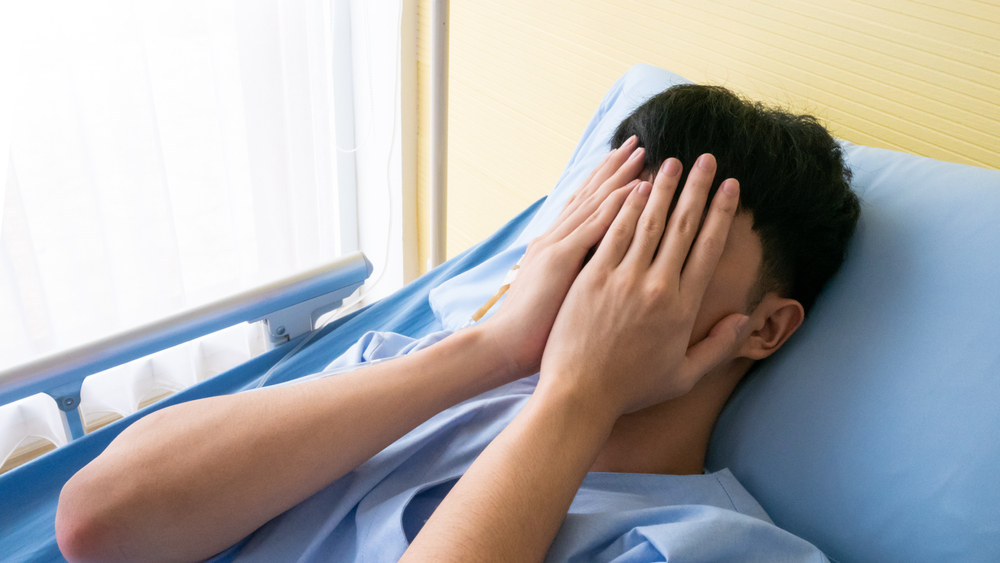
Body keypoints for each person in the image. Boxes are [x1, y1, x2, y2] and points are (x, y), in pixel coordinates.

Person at [54, 85, 860, 563]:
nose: (607, 260)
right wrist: (491, 346)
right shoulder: (421, 374)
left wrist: (579, 394)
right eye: (609, 215)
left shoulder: (716, 546)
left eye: (669, 242)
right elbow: (97, 519)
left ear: (765, 328)